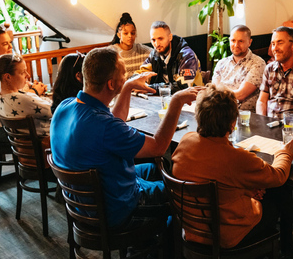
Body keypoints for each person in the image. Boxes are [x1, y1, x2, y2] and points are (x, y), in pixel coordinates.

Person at [172, 84, 293, 253]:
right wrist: (283, 152)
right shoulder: (237, 158)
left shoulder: (186, 140)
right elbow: (278, 176)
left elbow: (219, 177)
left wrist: (247, 190)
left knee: (264, 187)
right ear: (233, 123)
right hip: (228, 236)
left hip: (192, 229)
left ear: (198, 115)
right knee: (278, 190)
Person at [50, 47, 202, 231]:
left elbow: (114, 122)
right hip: (117, 211)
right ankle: (161, 246)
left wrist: (128, 86)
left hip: (83, 205)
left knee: (155, 169)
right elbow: (158, 147)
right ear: (111, 84)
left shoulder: (65, 106)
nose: (127, 76)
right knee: (182, 193)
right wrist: (176, 102)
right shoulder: (104, 126)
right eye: (124, 74)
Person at [0, 54, 51, 136]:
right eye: (22, 72)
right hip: (45, 141)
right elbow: (54, 110)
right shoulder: (24, 99)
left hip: (24, 143)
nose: (28, 75)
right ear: (8, 77)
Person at [212, 25, 266, 111]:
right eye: (233, 40)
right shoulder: (221, 63)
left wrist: (220, 94)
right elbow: (213, 91)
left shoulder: (258, 63)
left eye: (241, 41)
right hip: (218, 112)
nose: (236, 45)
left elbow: (241, 95)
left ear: (249, 42)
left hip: (244, 115)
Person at [141, 21, 202, 93]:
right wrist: (136, 82)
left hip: (194, 99)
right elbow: (141, 74)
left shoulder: (187, 55)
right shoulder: (154, 54)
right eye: (153, 40)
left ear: (170, 37)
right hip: (168, 99)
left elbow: (183, 87)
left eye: (160, 39)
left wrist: (149, 88)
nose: (156, 44)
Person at [109, 12, 152, 78]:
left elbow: (156, 54)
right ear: (119, 35)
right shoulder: (111, 52)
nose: (130, 36)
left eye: (132, 33)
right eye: (126, 33)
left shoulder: (143, 51)